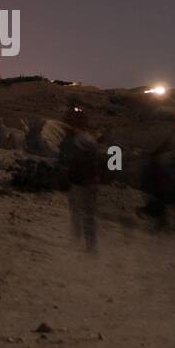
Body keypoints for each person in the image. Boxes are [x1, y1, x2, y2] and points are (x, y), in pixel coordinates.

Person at [59, 104, 101, 251]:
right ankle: (88, 245)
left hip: (81, 182)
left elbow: (68, 161)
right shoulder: (88, 138)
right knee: (85, 214)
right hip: (88, 181)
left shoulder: (77, 140)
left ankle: (81, 243)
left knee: (79, 213)